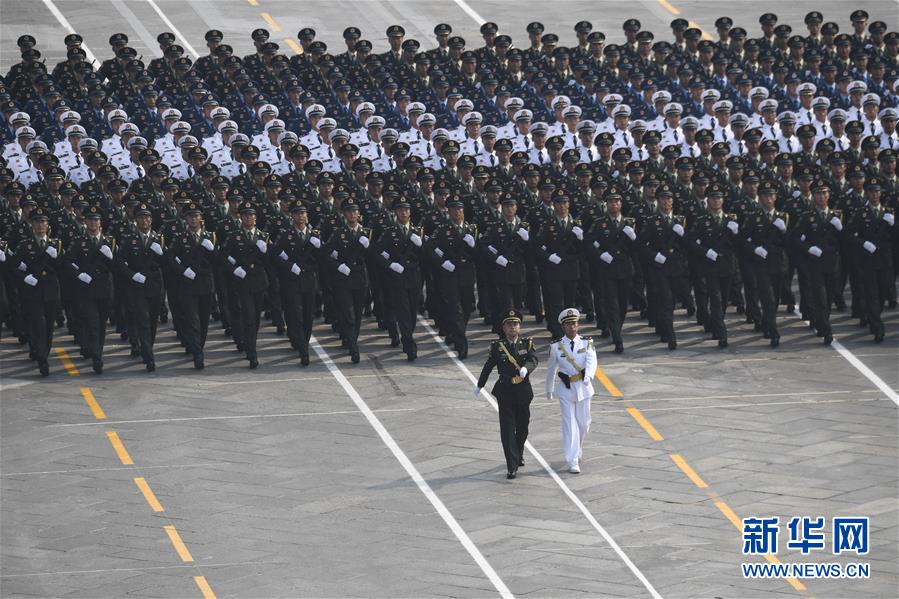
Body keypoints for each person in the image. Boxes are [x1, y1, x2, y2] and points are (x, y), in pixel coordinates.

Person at [475, 309, 538, 479]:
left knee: (523, 427)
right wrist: (480, 384)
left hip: (523, 391)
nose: (512, 327)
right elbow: (489, 366)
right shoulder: (497, 347)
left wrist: (526, 368)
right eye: (509, 324)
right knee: (507, 430)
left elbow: (533, 359)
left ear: (520, 327)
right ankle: (511, 465)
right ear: (503, 327)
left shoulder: (527, 344)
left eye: (515, 324)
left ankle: (518, 452)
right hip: (505, 391)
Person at [544, 308, 597, 474]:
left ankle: (578, 447)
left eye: (574, 323)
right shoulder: (556, 347)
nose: (572, 327)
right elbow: (551, 369)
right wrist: (548, 389)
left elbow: (592, 362)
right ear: (563, 327)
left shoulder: (586, 343)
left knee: (584, 423)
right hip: (566, 390)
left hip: (584, 388)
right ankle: (572, 459)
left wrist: (588, 376)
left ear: (578, 325)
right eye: (568, 324)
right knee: (569, 425)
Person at [115, 203, 165, 371]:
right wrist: (132, 275)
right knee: (142, 321)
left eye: (148, 217)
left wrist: (162, 254)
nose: (145, 220)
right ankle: (149, 356)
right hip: (136, 285)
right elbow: (120, 261)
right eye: (142, 217)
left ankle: (147, 346)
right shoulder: (129, 239)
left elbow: (168, 263)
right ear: (136, 220)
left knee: (152, 321)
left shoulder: (159, 238)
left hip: (155, 285)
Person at [66, 205, 115, 373]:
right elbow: (68, 262)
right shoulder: (79, 242)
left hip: (104, 288)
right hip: (86, 289)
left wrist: (111, 257)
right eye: (90, 219)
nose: (93, 223)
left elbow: (118, 267)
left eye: (96, 219)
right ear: (85, 222)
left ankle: (98, 350)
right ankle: (96, 356)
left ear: (100, 222)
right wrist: (79, 274)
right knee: (92, 323)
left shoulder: (109, 241)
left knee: (101, 323)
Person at [168, 202, 217, 369]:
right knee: (192, 320)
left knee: (203, 320)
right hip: (188, 285)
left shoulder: (210, 237)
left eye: (196, 216)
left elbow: (217, 261)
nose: (193, 219)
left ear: (201, 218)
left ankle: (199, 346)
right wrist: (183, 271)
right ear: (185, 219)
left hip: (205, 284)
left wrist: (212, 250)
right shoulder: (180, 238)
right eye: (190, 216)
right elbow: (171, 259)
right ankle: (198, 353)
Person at [14, 207, 62, 376]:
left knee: (49, 325)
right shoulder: (25, 244)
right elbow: (14, 266)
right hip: (33, 291)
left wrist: (56, 258)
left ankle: (44, 352)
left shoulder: (55, 244)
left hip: (50, 290)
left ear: (48, 224)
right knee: (38, 324)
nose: (40, 225)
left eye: (43, 221)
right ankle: (42, 359)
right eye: (37, 221)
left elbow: (63, 269)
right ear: (32, 224)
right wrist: (25, 277)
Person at [222, 201, 270, 368]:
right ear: (241, 218)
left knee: (256, 318)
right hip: (242, 281)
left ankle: (251, 343)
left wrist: (265, 252)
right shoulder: (234, 236)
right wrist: (234, 269)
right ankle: (252, 353)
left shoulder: (263, 236)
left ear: (256, 218)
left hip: (258, 281)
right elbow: (224, 257)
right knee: (248, 316)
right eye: (246, 215)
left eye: (252, 215)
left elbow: (269, 263)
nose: (249, 218)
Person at [274, 201, 321, 365]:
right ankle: (303, 350)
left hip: (308, 280)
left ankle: (304, 342)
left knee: (308, 316)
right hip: (292, 281)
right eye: (297, 213)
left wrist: (319, 248)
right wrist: (289, 265)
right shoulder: (285, 234)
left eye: (303, 213)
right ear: (292, 216)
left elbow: (322, 259)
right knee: (295, 316)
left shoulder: (314, 235)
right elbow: (276, 255)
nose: (300, 216)